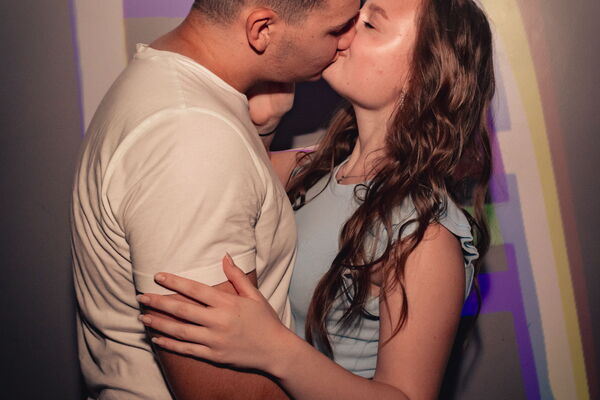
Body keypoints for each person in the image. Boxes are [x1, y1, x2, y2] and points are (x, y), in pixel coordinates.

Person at [136, 0, 495, 399]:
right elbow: (234, 193)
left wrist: (274, 349)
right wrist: (266, 125)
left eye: (370, 25)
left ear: (423, 74)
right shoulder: (314, 168)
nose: (346, 29)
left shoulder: (423, 232)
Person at [70, 0, 360, 399]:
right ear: (262, 30)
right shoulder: (193, 137)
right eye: (336, 29)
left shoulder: (166, 78)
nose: (348, 41)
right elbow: (224, 392)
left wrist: (262, 129)